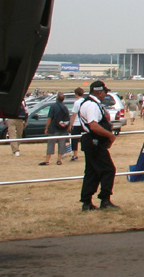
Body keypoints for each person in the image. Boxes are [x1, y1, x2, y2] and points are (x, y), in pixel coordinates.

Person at [76, 81, 120, 211]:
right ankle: (105, 199)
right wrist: (110, 136)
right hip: (94, 142)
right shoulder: (92, 105)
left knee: (92, 171)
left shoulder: (89, 103)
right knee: (108, 169)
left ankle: (87, 201)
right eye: (105, 92)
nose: (105, 95)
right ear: (99, 92)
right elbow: (93, 125)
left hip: (90, 141)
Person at [41, 92, 71, 165]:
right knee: (61, 144)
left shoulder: (53, 106)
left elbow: (49, 118)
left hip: (54, 128)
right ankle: (59, 160)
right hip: (63, 128)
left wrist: (46, 127)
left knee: (51, 144)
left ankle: (47, 160)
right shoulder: (65, 107)